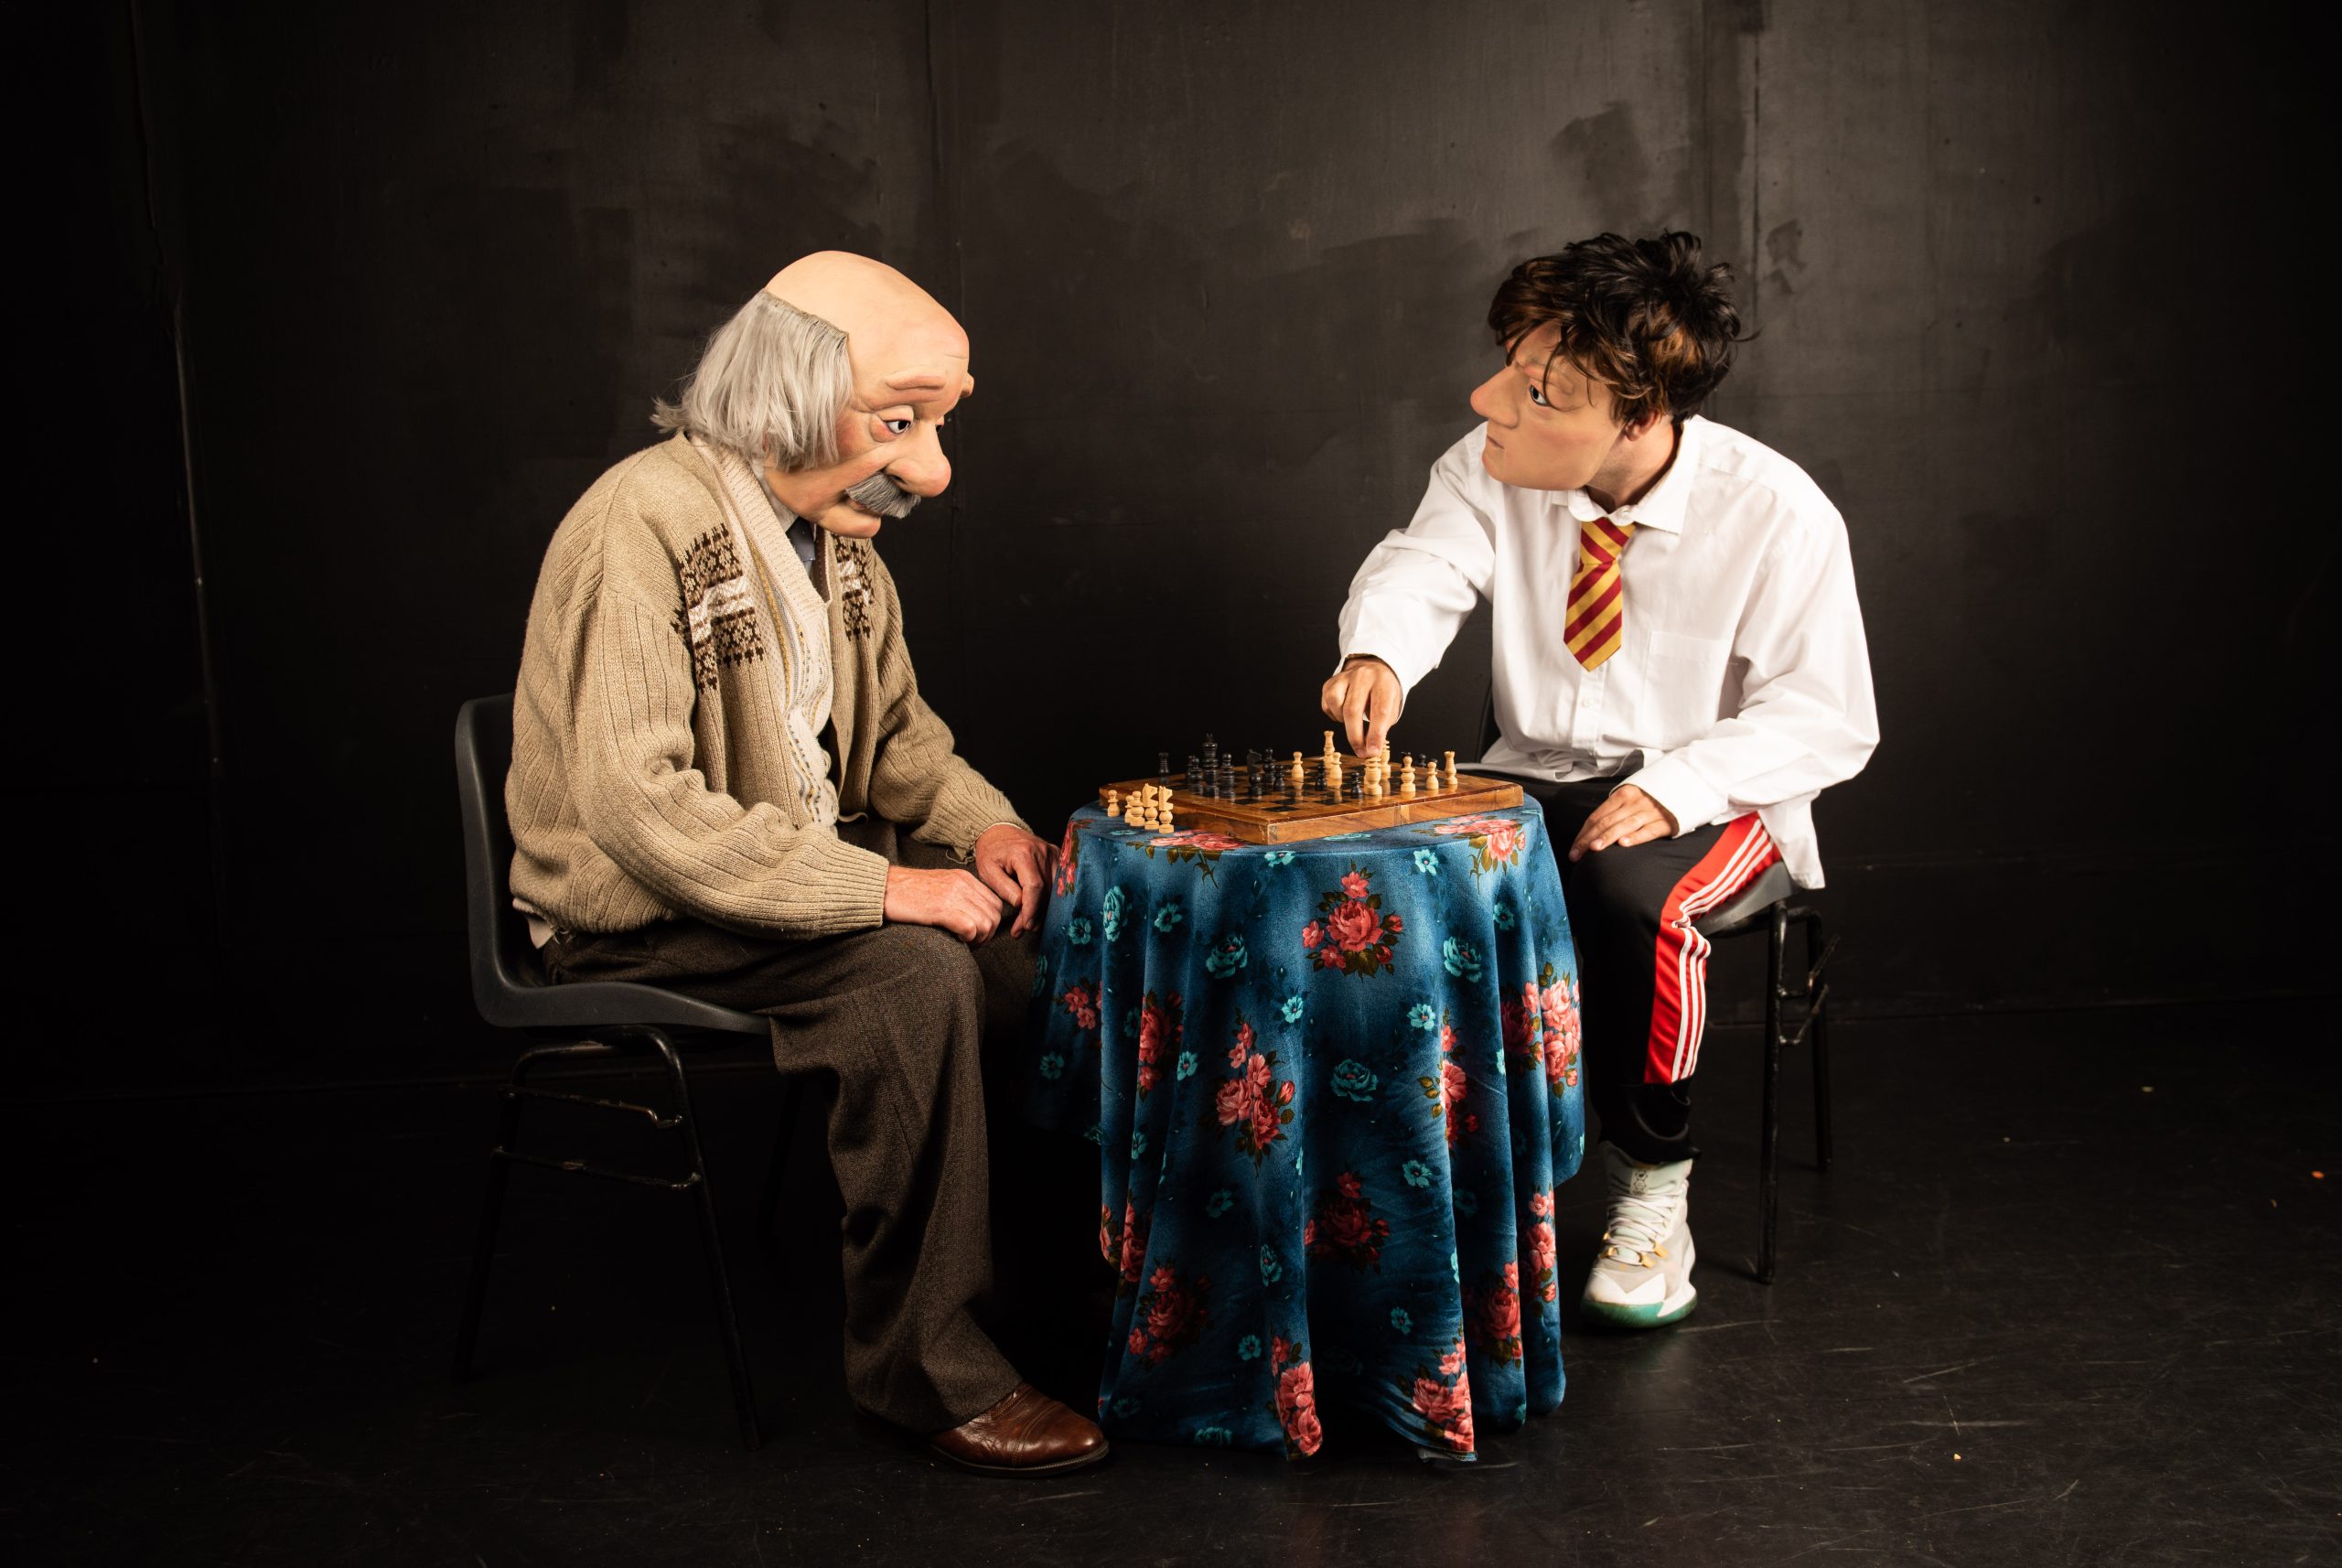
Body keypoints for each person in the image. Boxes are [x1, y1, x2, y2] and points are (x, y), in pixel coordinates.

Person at [506, 251, 1107, 1472]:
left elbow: (898, 747)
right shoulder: (644, 522)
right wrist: (889, 889)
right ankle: (922, 1370)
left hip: (781, 877)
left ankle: (1068, 1301)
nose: (927, 469)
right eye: (899, 422)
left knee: (1038, 958)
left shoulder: (844, 547)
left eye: (936, 422)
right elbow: (640, 809)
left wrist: (987, 829)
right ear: (784, 393)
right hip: (630, 908)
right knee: (914, 978)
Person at [1321, 232, 1878, 1328]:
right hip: (1529, 770)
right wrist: (1376, 651)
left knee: (1633, 894)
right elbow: (1423, 563)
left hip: (1717, 791)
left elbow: (1826, 715)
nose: (1489, 398)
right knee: (1385, 873)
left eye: (1535, 391)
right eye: (1507, 367)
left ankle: (1652, 1181)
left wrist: (1679, 785)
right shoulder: (1492, 461)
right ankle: (1421, 1171)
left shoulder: (1777, 511)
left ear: (1636, 417)